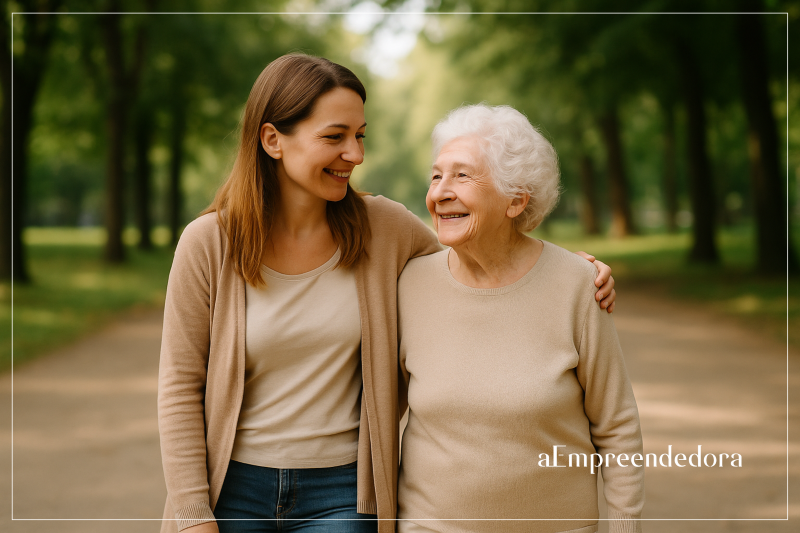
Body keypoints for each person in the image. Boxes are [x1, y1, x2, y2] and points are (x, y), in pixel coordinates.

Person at [157, 54, 617, 533]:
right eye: (335, 137)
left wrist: (569, 270)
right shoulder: (208, 243)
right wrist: (193, 516)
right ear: (273, 140)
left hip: (344, 493)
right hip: (231, 488)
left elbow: (480, 253)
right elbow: (178, 388)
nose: (355, 155)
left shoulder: (385, 229)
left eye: (359, 136)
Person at [396, 104, 644, 533]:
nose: (440, 192)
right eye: (437, 176)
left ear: (516, 201)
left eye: (462, 175)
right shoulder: (407, 285)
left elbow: (617, 427)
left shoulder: (578, 286)